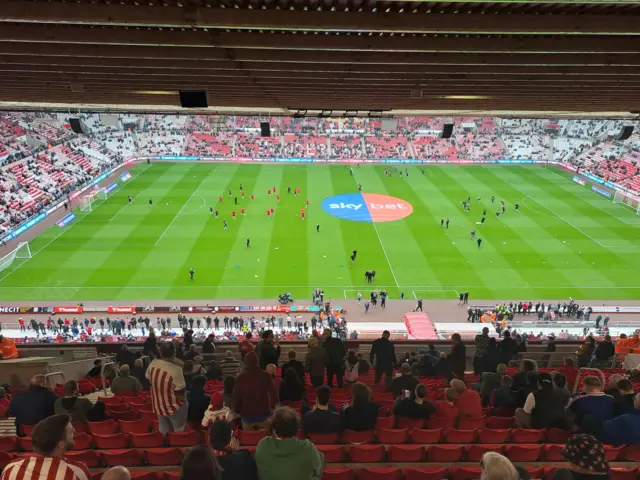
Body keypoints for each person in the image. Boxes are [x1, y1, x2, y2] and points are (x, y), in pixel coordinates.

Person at [1, 414, 91, 480]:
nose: (74, 431)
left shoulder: (11, 468)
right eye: (70, 431)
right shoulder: (76, 472)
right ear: (61, 445)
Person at [255, 407, 324, 480]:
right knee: (321, 457)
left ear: (274, 428)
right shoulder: (308, 448)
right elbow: (317, 471)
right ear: (297, 429)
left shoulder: (263, 445)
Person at [146, 344, 188, 434]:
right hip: (173, 407)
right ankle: (178, 444)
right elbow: (181, 395)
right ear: (174, 354)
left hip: (158, 405)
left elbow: (148, 377)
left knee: (163, 428)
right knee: (179, 428)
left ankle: (165, 444)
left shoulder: (153, 364)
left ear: (161, 353)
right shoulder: (177, 370)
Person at [233, 351, 279, 430]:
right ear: (258, 362)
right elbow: (274, 394)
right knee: (263, 439)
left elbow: (236, 397)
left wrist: (237, 410)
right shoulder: (265, 375)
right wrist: (273, 407)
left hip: (246, 416)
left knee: (249, 440)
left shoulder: (240, 378)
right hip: (263, 415)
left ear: (245, 362)